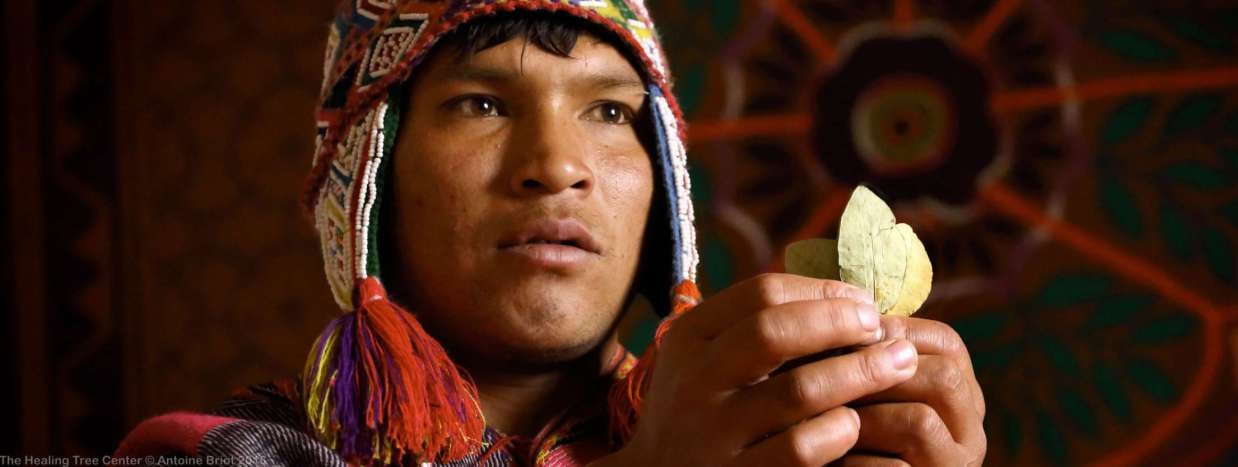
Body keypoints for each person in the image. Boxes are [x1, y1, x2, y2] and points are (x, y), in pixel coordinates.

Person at [114, 1, 987, 465]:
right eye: (482, 103)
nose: (557, 162)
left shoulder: (780, 448)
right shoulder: (238, 456)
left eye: (610, 111)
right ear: (366, 187)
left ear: (664, 197)